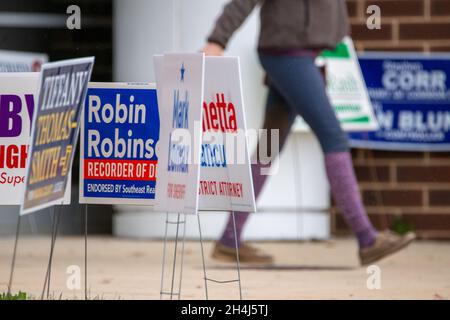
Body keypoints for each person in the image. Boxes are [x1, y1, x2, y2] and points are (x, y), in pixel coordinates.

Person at [202, 0, 415, 266]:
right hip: (287, 54)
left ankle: (229, 239)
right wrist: (217, 40)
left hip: (299, 53)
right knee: (333, 137)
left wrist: (337, 36)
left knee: (269, 147)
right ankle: (367, 238)